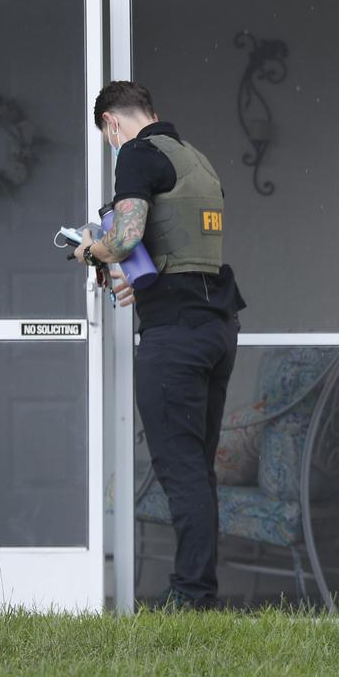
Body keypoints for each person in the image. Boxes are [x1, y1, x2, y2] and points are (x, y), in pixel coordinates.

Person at [74, 81, 245, 610]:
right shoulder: (195, 159)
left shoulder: (136, 154)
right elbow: (182, 250)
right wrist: (135, 278)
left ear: (110, 123)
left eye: (108, 136)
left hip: (176, 336)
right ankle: (200, 592)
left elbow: (125, 237)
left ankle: (190, 597)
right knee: (197, 465)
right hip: (216, 326)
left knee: (179, 468)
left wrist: (90, 250)